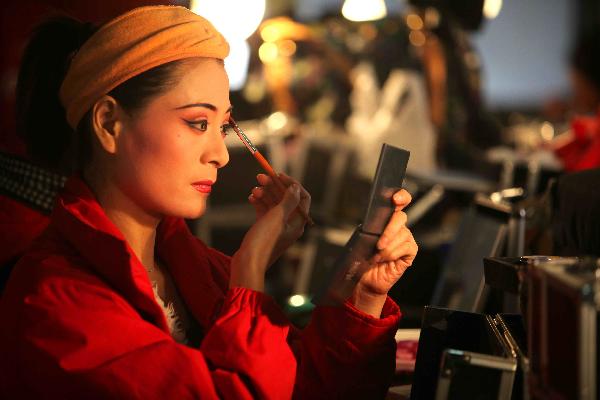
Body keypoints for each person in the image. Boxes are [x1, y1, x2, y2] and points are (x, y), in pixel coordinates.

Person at [0, 6, 418, 399]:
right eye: (198, 123)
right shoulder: (58, 304)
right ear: (110, 123)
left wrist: (361, 293)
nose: (219, 153)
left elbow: (308, 388)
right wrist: (250, 270)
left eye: (223, 126)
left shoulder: (197, 267)